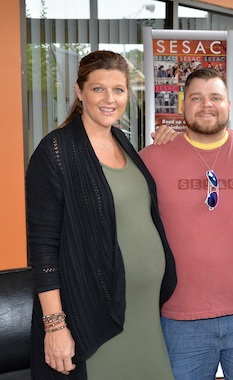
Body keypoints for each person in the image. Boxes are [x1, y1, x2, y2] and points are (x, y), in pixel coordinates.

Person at [25, 50, 179, 379]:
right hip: (95, 315)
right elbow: (43, 247)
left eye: (119, 90)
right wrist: (55, 327)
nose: (109, 99)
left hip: (144, 314)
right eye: (98, 89)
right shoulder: (55, 152)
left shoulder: (123, 142)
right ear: (79, 92)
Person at [139, 67, 233, 379]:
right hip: (179, 318)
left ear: (229, 104)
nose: (206, 104)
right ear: (183, 105)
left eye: (215, 97)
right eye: (196, 98)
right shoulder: (152, 158)